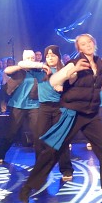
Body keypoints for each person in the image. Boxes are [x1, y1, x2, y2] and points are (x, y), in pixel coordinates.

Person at [18, 34, 102, 203]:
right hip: (73, 113)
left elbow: (100, 87)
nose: (88, 45)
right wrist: (73, 70)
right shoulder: (75, 63)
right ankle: (28, 187)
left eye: (89, 42)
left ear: (94, 43)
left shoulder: (99, 63)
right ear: (79, 48)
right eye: (83, 44)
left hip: (91, 114)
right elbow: (55, 80)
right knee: (53, 150)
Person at [0, 50, 46, 163]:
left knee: (38, 134)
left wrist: (42, 66)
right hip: (18, 105)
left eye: (32, 58)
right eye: (28, 58)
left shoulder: (39, 72)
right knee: (11, 133)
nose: (30, 60)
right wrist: (21, 65)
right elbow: (7, 70)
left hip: (34, 105)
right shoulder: (18, 71)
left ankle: (40, 160)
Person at [35, 45, 74, 181]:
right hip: (44, 107)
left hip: (59, 107)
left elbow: (72, 88)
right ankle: (40, 169)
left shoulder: (63, 71)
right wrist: (42, 65)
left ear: (58, 56)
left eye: (53, 55)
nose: (50, 58)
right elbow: (22, 64)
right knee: (40, 138)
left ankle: (66, 169)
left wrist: (63, 88)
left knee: (61, 139)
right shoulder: (40, 71)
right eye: (47, 56)